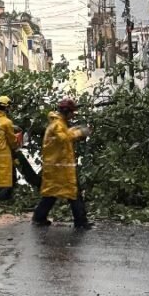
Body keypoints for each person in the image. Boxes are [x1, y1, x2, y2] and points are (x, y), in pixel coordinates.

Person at [32, 98, 93, 229]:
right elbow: (64, 138)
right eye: (72, 113)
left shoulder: (58, 123)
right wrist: (80, 132)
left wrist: (73, 130)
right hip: (60, 167)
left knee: (51, 194)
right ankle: (81, 223)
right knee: (74, 194)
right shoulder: (58, 125)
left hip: (56, 166)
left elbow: (63, 136)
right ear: (67, 112)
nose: (73, 116)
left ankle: (39, 217)